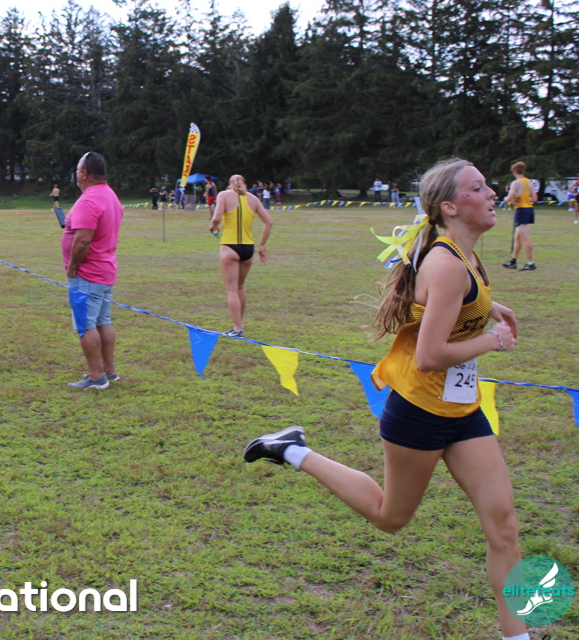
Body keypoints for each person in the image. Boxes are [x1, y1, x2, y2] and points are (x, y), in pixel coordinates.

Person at [243, 158, 527, 640]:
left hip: (463, 411)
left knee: (504, 527)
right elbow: (431, 356)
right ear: (450, 207)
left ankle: (516, 636)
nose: (492, 194)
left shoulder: (464, 256)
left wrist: (487, 306)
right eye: (479, 188)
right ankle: (291, 449)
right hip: (419, 412)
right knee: (389, 517)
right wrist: (492, 340)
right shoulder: (447, 263)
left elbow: (451, 302)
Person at [62, 151, 124, 389]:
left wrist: (72, 268)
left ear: (85, 174)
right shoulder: (110, 195)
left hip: (87, 273)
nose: (76, 174)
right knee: (102, 322)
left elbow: (83, 241)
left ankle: (96, 376)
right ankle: (109, 371)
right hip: (104, 270)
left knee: (85, 325)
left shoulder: (89, 200)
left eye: (77, 170)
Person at [209, 174, 273, 337]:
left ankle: (237, 329)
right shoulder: (253, 199)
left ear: (230, 184)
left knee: (232, 290)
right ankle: (239, 324)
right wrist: (262, 245)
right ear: (245, 184)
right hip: (248, 248)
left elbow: (216, 218)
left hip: (230, 246)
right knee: (240, 287)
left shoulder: (223, 195)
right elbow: (269, 222)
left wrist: (213, 226)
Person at [502, 161, 537, 271]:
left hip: (522, 210)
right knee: (517, 237)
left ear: (515, 171)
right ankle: (513, 261)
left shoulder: (516, 183)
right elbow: (534, 198)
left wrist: (506, 199)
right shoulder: (529, 182)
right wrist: (520, 200)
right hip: (529, 209)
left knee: (525, 237)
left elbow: (509, 197)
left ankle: (530, 263)